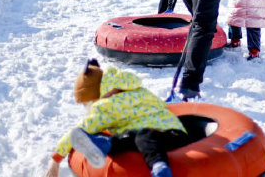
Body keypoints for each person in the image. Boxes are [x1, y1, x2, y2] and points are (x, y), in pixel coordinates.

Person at [45, 59, 188, 177]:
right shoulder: (138, 90)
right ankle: (105, 144)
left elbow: (79, 130)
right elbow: (162, 107)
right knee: (130, 137)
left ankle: (160, 167)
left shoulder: (105, 107)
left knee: (143, 135)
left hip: (168, 139)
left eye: (88, 104)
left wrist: (56, 159)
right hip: (176, 132)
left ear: (97, 96)